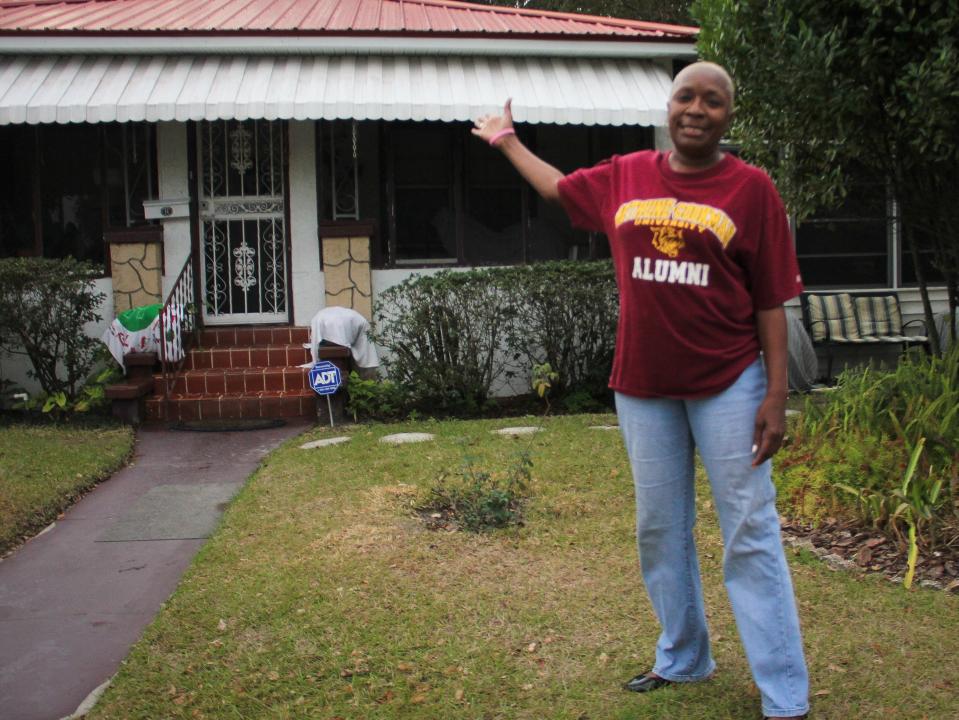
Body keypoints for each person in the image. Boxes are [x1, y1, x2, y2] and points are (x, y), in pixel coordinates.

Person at [471, 61, 810, 720]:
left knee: (748, 531)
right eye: (686, 95)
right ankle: (683, 657)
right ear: (668, 103)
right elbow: (561, 190)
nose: (696, 109)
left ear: (727, 116)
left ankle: (784, 694)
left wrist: (775, 395)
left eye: (713, 101)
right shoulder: (626, 171)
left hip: (729, 382)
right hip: (643, 385)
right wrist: (507, 142)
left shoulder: (751, 189)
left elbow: (771, 300)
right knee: (659, 528)